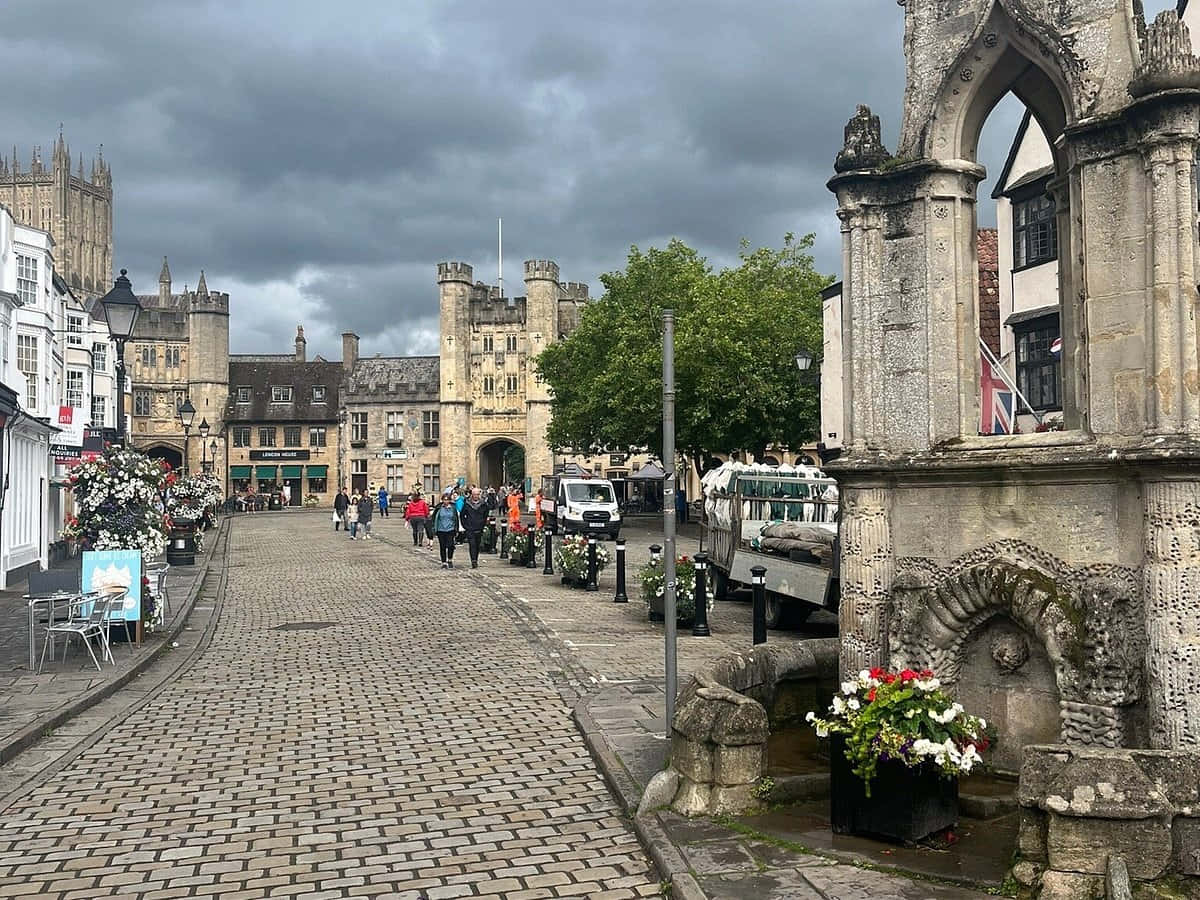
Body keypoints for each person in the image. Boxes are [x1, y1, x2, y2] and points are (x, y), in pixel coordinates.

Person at [461, 486, 493, 569]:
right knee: (472, 544)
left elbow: (486, 514)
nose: (475, 496)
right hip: (470, 528)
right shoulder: (467, 504)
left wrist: (483, 522)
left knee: (477, 545)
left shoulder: (483, 504)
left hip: (479, 527)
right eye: (474, 494)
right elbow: (462, 515)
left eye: (477, 494)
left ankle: (476, 558)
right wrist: (465, 525)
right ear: (472, 495)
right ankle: (473, 561)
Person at [433, 491, 460, 568]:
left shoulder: (453, 508)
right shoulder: (439, 508)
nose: (446, 501)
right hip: (441, 529)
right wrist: (434, 529)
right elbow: (434, 518)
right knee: (442, 546)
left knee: (450, 545)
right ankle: (444, 562)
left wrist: (456, 529)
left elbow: (456, 519)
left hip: (450, 529)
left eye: (447, 500)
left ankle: (450, 559)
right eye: (444, 500)